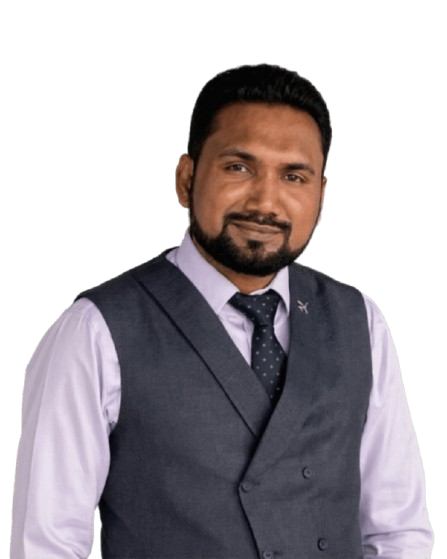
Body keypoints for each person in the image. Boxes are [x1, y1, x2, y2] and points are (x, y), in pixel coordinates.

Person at [10, 63, 434, 558]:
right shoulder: (95, 331)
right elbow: (47, 546)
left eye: (293, 176)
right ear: (186, 179)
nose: (265, 202)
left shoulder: (360, 321)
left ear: (321, 195)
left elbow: (398, 532)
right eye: (239, 167)